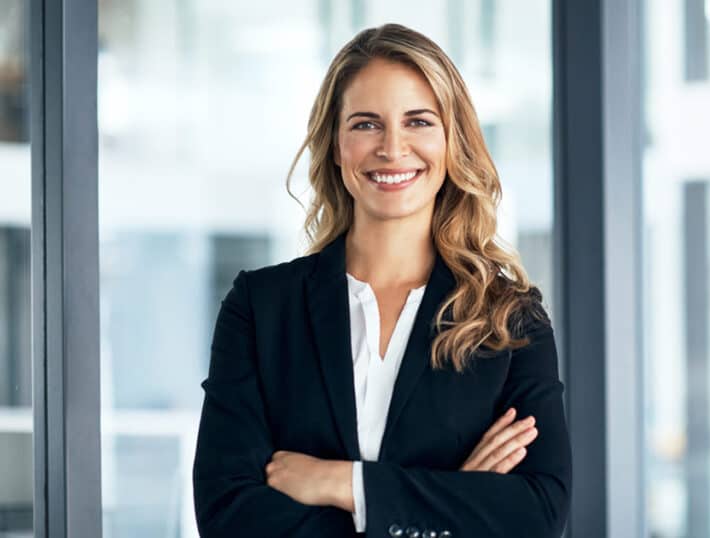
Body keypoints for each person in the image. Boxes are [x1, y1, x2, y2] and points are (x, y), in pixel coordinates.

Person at [191, 23, 571, 538]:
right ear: (335, 144)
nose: (392, 148)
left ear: (451, 141)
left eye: (418, 121)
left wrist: (346, 484)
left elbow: (537, 513)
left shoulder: (507, 318)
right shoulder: (260, 309)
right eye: (367, 124)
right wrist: (450, 497)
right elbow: (228, 512)